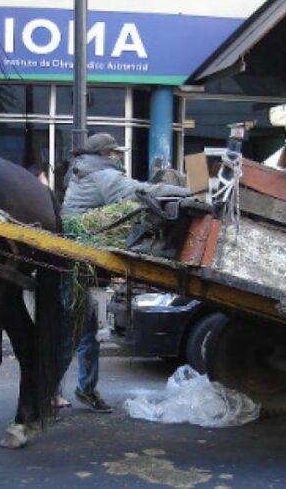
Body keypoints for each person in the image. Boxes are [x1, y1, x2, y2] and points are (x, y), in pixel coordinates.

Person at [60, 133, 191, 412]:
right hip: (73, 263)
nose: (120, 156)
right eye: (116, 152)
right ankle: (54, 392)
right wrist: (192, 193)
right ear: (107, 154)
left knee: (82, 333)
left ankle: (80, 389)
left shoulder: (85, 170)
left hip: (72, 262)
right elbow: (140, 192)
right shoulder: (101, 175)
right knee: (74, 333)